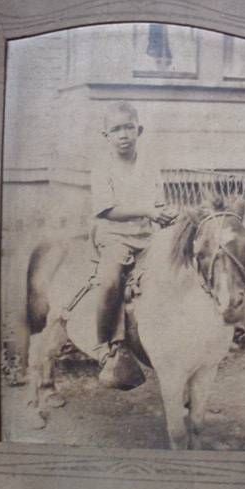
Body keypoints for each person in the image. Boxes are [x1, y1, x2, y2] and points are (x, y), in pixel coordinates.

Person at [91, 101, 177, 388]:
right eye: (115, 129)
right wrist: (149, 211)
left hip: (147, 237)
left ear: (139, 130)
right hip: (114, 235)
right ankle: (104, 344)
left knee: (175, 272)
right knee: (110, 280)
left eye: (128, 127)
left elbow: (158, 202)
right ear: (106, 135)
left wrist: (165, 214)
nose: (123, 134)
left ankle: (168, 343)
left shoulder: (150, 163)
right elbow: (107, 209)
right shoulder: (102, 166)